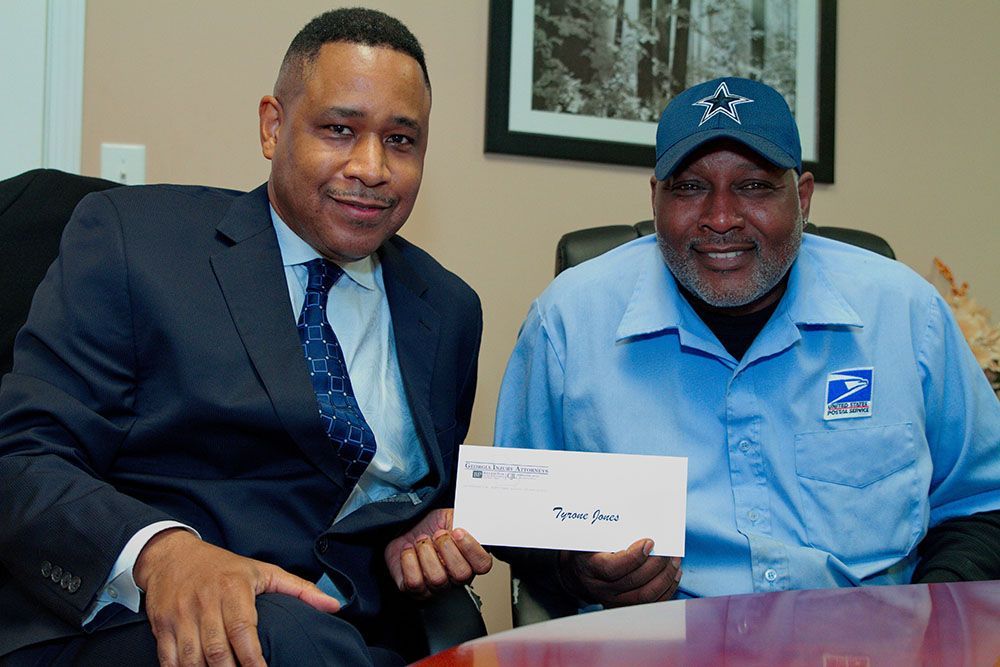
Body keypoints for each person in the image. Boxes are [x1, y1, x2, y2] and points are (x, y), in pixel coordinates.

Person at [0, 8, 491, 666]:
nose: (372, 167)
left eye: (401, 140)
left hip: (349, 638)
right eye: (340, 129)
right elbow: (23, 457)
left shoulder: (448, 309)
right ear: (272, 126)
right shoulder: (134, 241)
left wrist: (419, 535)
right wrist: (162, 553)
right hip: (142, 626)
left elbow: (412, 497)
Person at [494, 77, 1000, 612]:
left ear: (802, 197)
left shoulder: (905, 314)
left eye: (754, 186)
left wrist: (932, 624)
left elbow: (982, 504)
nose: (720, 219)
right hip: (653, 639)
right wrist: (577, 572)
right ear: (655, 197)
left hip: (869, 637)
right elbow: (513, 517)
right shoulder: (568, 322)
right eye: (689, 188)